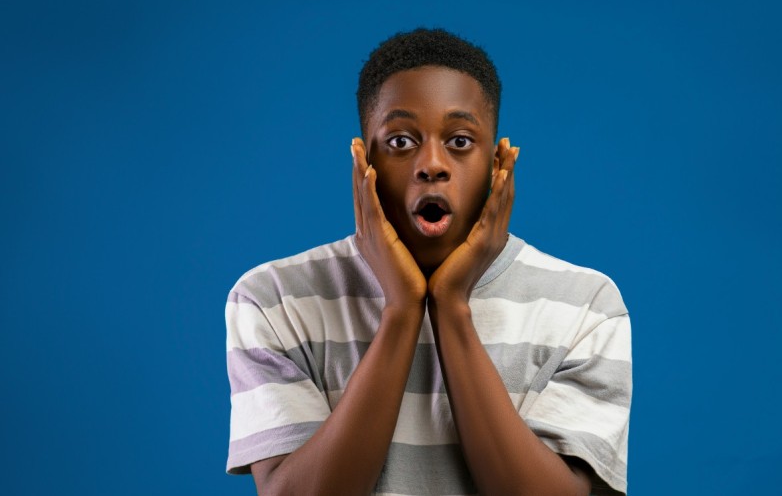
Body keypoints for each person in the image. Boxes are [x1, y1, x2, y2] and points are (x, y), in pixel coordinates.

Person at [225, 28, 631, 495]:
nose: (432, 164)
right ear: (363, 161)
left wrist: (451, 308)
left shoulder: (587, 305)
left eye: (460, 141)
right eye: (399, 142)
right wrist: (401, 310)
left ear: (498, 163)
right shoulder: (273, 299)